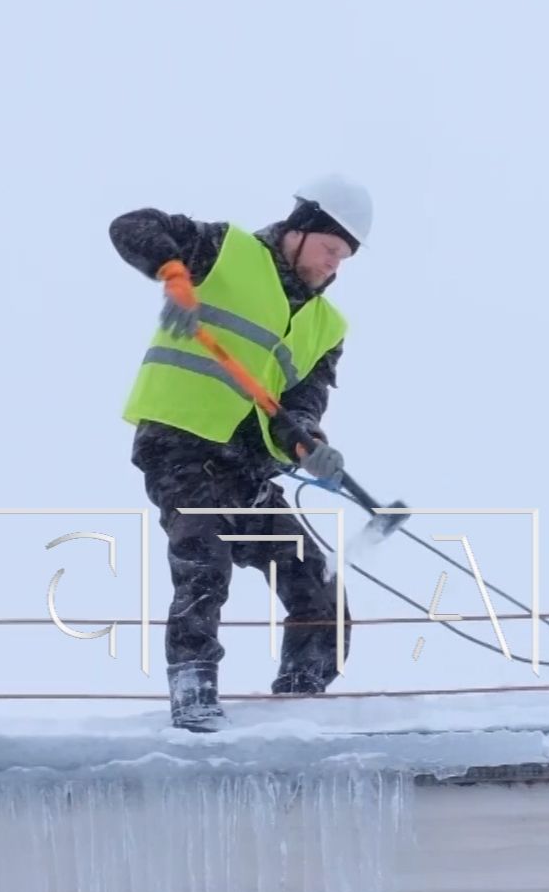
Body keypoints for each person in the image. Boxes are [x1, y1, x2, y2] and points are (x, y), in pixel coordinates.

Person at [109, 174, 373, 731]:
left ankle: (296, 710)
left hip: (246, 468)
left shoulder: (327, 326)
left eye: (344, 258)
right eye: (330, 249)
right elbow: (131, 226)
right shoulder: (225, 250)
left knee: (319, 593)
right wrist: (175, 273)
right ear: (301, 231)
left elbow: (301, 406)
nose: (334, 265)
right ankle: (193, 691)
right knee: (204, 561)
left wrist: (308, 444)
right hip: (179, 444)